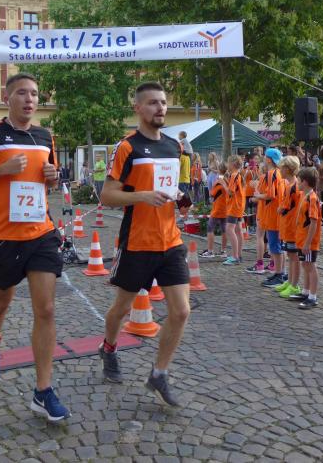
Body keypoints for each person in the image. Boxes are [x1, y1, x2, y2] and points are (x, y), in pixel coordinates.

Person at [0, 73, 67, 422]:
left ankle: (43, 391)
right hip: (3, 236)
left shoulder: (45, 136)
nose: (29, 99)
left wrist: (53, 177)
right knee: (1, 302)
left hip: (41, 233)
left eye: (34, 93)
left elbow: (50, 178)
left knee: (46, 308)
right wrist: (1, 169)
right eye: (22, 93)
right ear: (7, 98)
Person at [99, 81, 191, 407]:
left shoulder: (173, 147)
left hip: (170, 241)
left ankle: (159, 373)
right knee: (121, 309)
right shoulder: (127, 147)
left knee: (181, 311)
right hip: (137, 243)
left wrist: (181, 197)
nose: (160, 108)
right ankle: (109, 347)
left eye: (163, 102)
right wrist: (142, 196)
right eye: (152, 103)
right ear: (138, 108)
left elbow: (170, 186)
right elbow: (107, 195)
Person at [290, 167, 321, 308]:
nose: (297, 183)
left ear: (305, 182)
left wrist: (308, 243)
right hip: (302, 239)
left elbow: (314, 222)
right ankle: (306, 291)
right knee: (305, 264)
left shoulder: (312, 198)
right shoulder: (305, 195)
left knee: (310, 266)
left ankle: (313, 296)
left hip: (309, 242)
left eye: (299, 181)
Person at [274, 156, 302, 298]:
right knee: (291, 256)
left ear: (287, 169)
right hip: (288, 225)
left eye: (282, 168)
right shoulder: (290, 185)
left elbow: (286, 206)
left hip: (292, 227)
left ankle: (294, 285)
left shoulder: (293, 186)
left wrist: (280, 209)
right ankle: (290, 281)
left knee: (293, 256)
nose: (280, 170)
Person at [257, 148, 285, 287]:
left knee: (275, 246)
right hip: (276, 214)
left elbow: (270, 195)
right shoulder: (278, 172)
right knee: (277, 246)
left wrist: (257, 195)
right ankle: (280, 273)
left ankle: (279, 275)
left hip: (272, 214)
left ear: (268, 159)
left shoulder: (271, 174)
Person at [201, 162, 227, 258]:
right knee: (224, 229)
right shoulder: (227, 180)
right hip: (226, 207)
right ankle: (223, 251)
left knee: (210, 227)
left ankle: (210, 251)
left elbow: (212, 193)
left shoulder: (219, 181)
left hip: (218, 208)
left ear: (219, 170)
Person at [223, 155, 245, 265]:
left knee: (229, 229)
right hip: (239, 205)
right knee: (238, 230)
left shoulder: (234, 175)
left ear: (232, 164)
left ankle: (235, 256)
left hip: (234, 206)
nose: (227, 165)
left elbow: (231, 192)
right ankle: (239, 255)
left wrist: (223, 184)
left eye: (228, 163)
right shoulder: (238, 175)